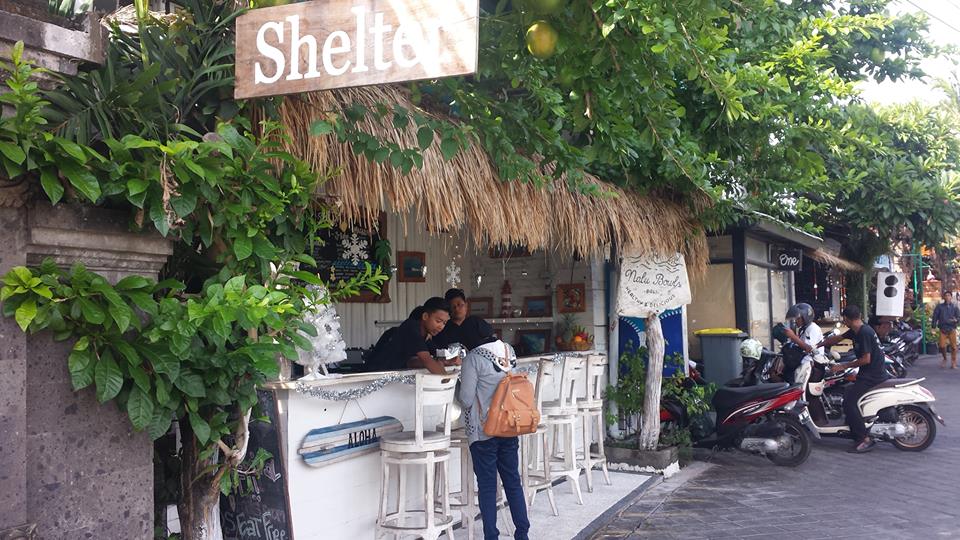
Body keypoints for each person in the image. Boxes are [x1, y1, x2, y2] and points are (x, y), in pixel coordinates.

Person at [457, 331, 530, 540]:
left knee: (488, 486)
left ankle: (491, 536)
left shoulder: (473, 358)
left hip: (484, 432)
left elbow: (466, 399)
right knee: (512, 481)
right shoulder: (509, 351)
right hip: (508, 426)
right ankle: (522, 533)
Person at [817, 305, 890, 453]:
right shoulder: (857, 330)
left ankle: (864, 439)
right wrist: (818, 345)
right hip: (869, 373)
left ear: (846, 319)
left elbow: (866, 359)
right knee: (848, 391)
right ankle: (853, 426)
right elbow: (838, 338)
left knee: (849, 403)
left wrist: (842, 366)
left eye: (844, 319)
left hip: (872, 375)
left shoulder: (864, 333)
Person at [366, 297, 455, 374]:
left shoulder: (425, 335)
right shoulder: (411, 328)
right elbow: (426, 360)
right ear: (425, 316)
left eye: (444, 323)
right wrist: (447, 378)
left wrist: (444, 362)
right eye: (438, 321)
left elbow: (411, 362)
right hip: (375, 376)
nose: (441, 327)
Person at [782, 303, 824, 386]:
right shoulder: (803, 329)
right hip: (801, 361)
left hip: (810, 364)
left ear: (805, 317)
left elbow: (809, 348)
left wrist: (793, 336)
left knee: (799, 388)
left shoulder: (813, 328)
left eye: (798, 318)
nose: (795, 321)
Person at [932, 291, 960, 369]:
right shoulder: (939, 307)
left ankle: (953, 362)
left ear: (951, 297)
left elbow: (958, 317)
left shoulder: (954, 307)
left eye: (949, 295)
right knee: (942, 346)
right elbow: (935, 317)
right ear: (944, 297)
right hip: (943, 328)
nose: (947, 297)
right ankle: (945, 358)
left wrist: (956, 320)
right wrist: (933, 327)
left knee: (954, 347)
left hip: (951, 328)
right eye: (946, 295)